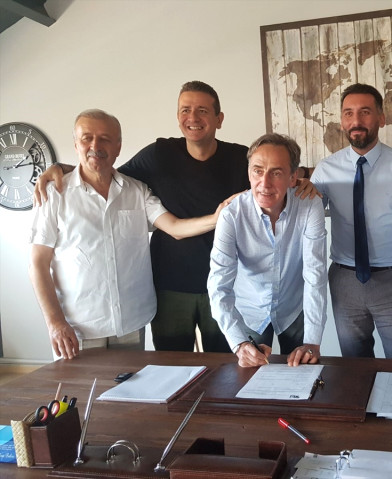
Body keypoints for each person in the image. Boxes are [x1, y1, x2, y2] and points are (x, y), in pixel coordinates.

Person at [29, 110, 238, 360]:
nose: (96, 145)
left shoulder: (137, 190)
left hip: (130, 323)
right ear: (76, 144)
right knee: (79, 388)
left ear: (118, 146)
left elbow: (174, 227)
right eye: (87, 138)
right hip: (78, 327)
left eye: (105, 139)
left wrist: (216, 217)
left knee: (130, 384)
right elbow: (37, 264)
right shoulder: (54, 195)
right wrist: (55, 322)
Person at [311, 83, 392, 359]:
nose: (356, 121)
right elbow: (306, 223)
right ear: (342, 121)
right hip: (345, 281)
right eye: (348, 113)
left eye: (365, 112)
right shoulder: (325, 170)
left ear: (381, 118)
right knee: (354, 368)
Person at [208, 133, 327, 368]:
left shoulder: (310, 206)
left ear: (293, 177)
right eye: (258, 171)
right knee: (251, 378)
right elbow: (218, 285)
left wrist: (312, 342)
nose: (264, 183)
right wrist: (239, 343)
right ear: (248, 173)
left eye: (277, 173)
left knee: (303, 372)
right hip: (250, 312)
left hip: (294, 310)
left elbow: (315, 275)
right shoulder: (231, 215)